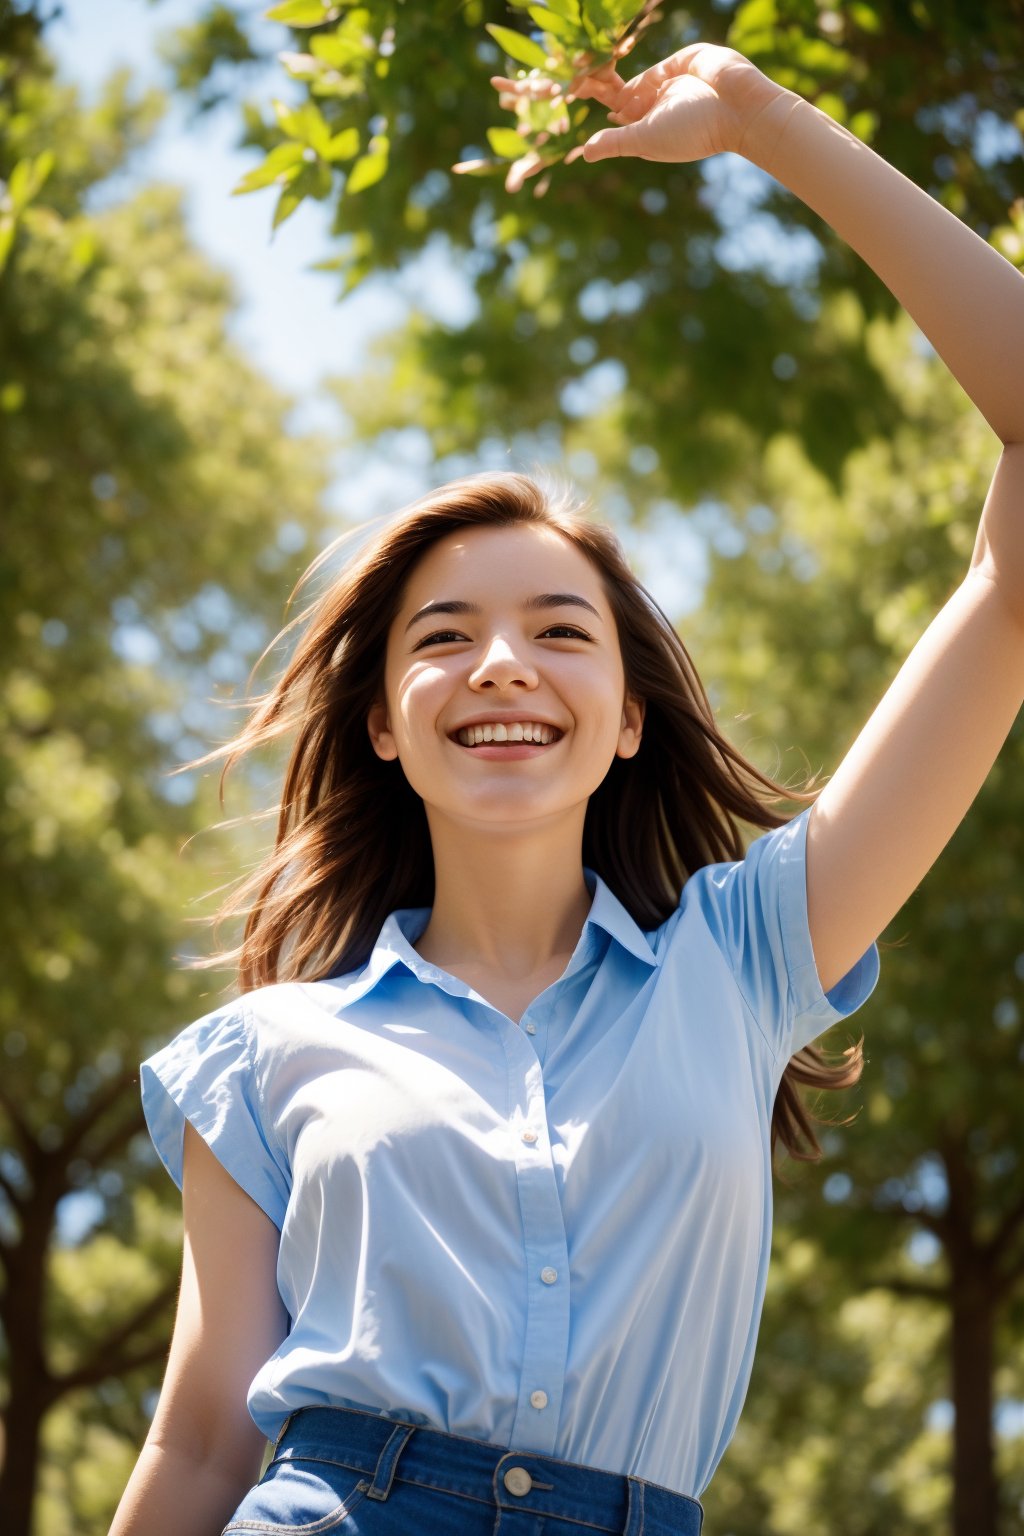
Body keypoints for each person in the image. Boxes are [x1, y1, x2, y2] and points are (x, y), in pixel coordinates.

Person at [109, 39, 1024, 1536]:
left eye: (559, 631)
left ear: (628, 722)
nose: (501, 667)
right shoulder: (262, 1055)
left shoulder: (746, 961)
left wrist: (765, 123)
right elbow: (204, 1444)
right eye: (445, 637)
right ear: (389, 725)